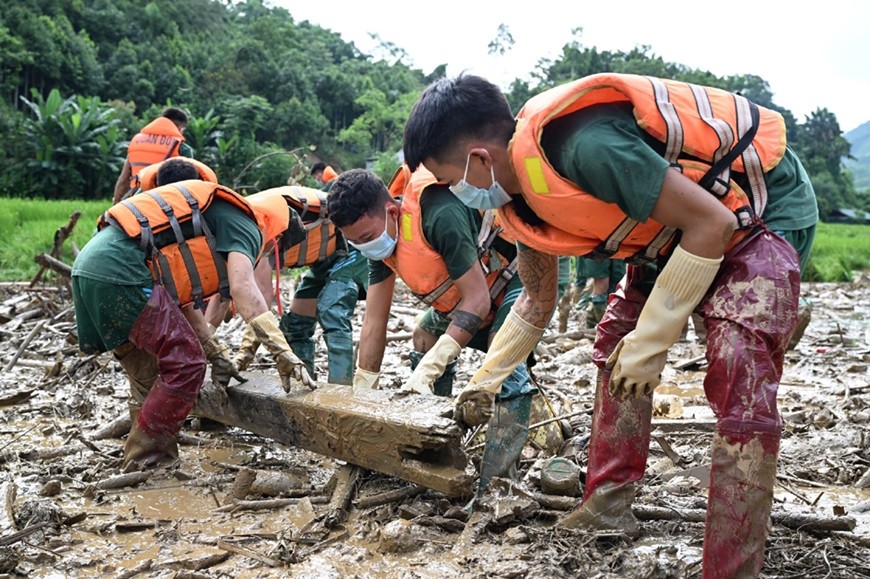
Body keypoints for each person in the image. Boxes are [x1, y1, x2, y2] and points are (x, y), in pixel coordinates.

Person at [402, 72, 817, 577]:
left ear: (479, 160)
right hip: (670, 236)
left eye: (449, 180)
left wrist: (653, 342)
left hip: (756, 213)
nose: (453, 195)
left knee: (736, 363)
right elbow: (536, 301)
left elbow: (714, 223)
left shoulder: (584, 147)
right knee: (615, 342)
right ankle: (609, 504)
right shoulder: (519, 200)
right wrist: (484, 382)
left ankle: (731, 567)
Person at [74, 158, 312, 471]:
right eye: (271, 249)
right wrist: (285, 355)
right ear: (277, 236)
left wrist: (217, 354)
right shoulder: (247, 225)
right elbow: (243, 290)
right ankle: (146, 458)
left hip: (90, 271)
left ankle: (151, 467)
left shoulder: (208, 219)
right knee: (186, 363)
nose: (265, 254)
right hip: (121, 273)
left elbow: (179, 300)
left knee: (149, 370)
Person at [327, 164, 537, 494]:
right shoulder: (378, 243)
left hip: (516, 277)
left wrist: (428, 370)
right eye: (355, 242)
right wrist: (363, 393)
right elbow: (374, 322)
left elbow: (478, 300)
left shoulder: (438, 213)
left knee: (505, 365)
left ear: (392, 212)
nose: (365, 246)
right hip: (471, 292)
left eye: (367, 238)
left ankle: (498, 486)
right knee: (424, 336)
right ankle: (438, 443)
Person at [211, 185, 369, 385]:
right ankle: (304, 384)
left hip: (349, 250)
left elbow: (261, 301)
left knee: (332, 311)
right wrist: (207, 346)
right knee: (295, 326)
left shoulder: (248, 234)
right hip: (323, 261)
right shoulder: (225, 243)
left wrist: (244, 354)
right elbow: (221, 299)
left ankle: (341, 389)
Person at [113, 107, 194, 204]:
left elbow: (123, 179)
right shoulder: (182, 148)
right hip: (164, 203)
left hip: (135, 201)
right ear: (181, 129)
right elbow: (188, 185)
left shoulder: (137, 142)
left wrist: (115, 208)